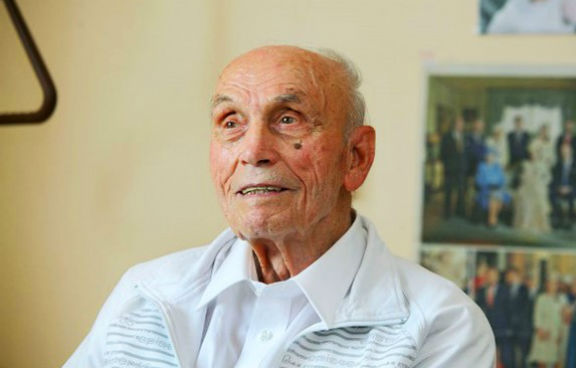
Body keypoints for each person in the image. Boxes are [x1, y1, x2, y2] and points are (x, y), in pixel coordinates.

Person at [63, 46, 495, 367]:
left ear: (356, 157)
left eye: (288, 118)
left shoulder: (440, 325)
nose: (253, 151)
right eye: (231, 123)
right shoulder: (144, 294)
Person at [513, 125, 554, 233]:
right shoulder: (534, 143)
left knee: (540, 191)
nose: (544, 133)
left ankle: (541, 223)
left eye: (546, 132)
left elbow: (550, 160)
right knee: (526, 191)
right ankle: (526, 222)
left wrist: (545, 164)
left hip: (543, 171)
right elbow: (531, 154)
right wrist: (535, 159)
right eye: (542, 131)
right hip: (533, 171)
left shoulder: (549, 144)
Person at [476, 267, 513, 368]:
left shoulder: (505, 290)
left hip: (501, 328)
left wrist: (509, 327)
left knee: (501, 355)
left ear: (497, 277)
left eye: (494, 275)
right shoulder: (481, 290)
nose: (491, 277)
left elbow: (509, 310)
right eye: (489, 275)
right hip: (486, 327)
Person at [527, 275, 566, 368]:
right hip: (544, 333)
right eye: (551, 283)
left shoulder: (562, 299)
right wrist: (540, 330)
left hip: (556, 335)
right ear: (547, 285)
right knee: (542, 361)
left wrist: (561, 332)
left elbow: (563, 317)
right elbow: (537, 316)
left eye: (556, 284)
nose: (553, 286)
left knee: (557, 361)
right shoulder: (541, 298)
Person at [475, 148, 511, 227]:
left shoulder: (497, 167)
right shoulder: (482, 167)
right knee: (494, 197)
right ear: (485, 157)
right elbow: (479, 180)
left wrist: (499, 185)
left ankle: (492, 219)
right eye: (488, 156)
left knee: (499, 197)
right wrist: (488, 185)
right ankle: (492, 221)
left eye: (492, 156)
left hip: (498, 189)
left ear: (494, 157)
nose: (490, 158)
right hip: (486, 190)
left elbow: (502, 180)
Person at [440, 116, 468, 218]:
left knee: (461, 191)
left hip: (461, 169)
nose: (460, 126)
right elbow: (442, 154)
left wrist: (465, 166)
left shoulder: (465, 136)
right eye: (458, 124)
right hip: (450, 169)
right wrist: (448, 165)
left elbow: (466, 153)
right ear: (454, 125)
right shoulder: (446, 136)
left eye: (462, 124)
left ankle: (459, 211)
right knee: (448, 192)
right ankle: (447, 213)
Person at [550, 143, 576, 229]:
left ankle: (571, 221)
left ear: (570, 152)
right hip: (560, 189)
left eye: (566, 152)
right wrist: (559, 187)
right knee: (552, 194)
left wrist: (569, 188)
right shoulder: (558, 165)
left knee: (571, 197)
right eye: (563, 152)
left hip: (572, 189)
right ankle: (558, 219)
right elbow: (555, 179)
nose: (564, 154)